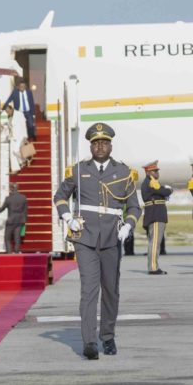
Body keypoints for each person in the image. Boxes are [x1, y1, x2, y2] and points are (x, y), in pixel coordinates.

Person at [53, 122, 140, 359]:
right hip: (85, 236)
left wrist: (129, 226)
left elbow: (134, 206)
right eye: (95, 143)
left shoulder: (124, 172)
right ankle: (90, 342)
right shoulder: (78, 171)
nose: (100, 147)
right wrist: (67, 216)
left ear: (111, 145)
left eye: (104, 142)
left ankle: (108, 336)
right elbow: (60, 196)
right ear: (90, 146)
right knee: (89, 289)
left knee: (111, 289)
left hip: (112, 236)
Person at [140, 161, 172, 274]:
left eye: (157, 171)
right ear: (148, 172)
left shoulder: (150, 182)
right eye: (154, 171)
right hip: (156, 214)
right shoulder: (152, 182)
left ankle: (154, 266)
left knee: (154, 242)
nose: (157, 173)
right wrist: (169, 190)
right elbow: (164, 191)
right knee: (154, 243)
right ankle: (153, 268)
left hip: (154, 213)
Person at [0, 182, 28, 253]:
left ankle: (9, 253)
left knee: (7, 238)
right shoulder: (23, 198)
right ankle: (16, 252)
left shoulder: (8, 198)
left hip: (11, 220)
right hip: (20, 220)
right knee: (17, 237)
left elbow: (1, 209)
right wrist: (24, 220)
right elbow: (25, 211)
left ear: (12, 189)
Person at [3, 103, 28, 174]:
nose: (8, 112)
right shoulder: (9, 117)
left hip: (20, 136)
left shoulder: (19, 114)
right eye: (6, 112)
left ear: (12, 108)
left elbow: (24, 125)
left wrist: (25, 137)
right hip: (12, 137)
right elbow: (10, 127)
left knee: (16, 151)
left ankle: (23, 160)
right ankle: (15, 169)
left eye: (8, 111)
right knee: (12, 154)